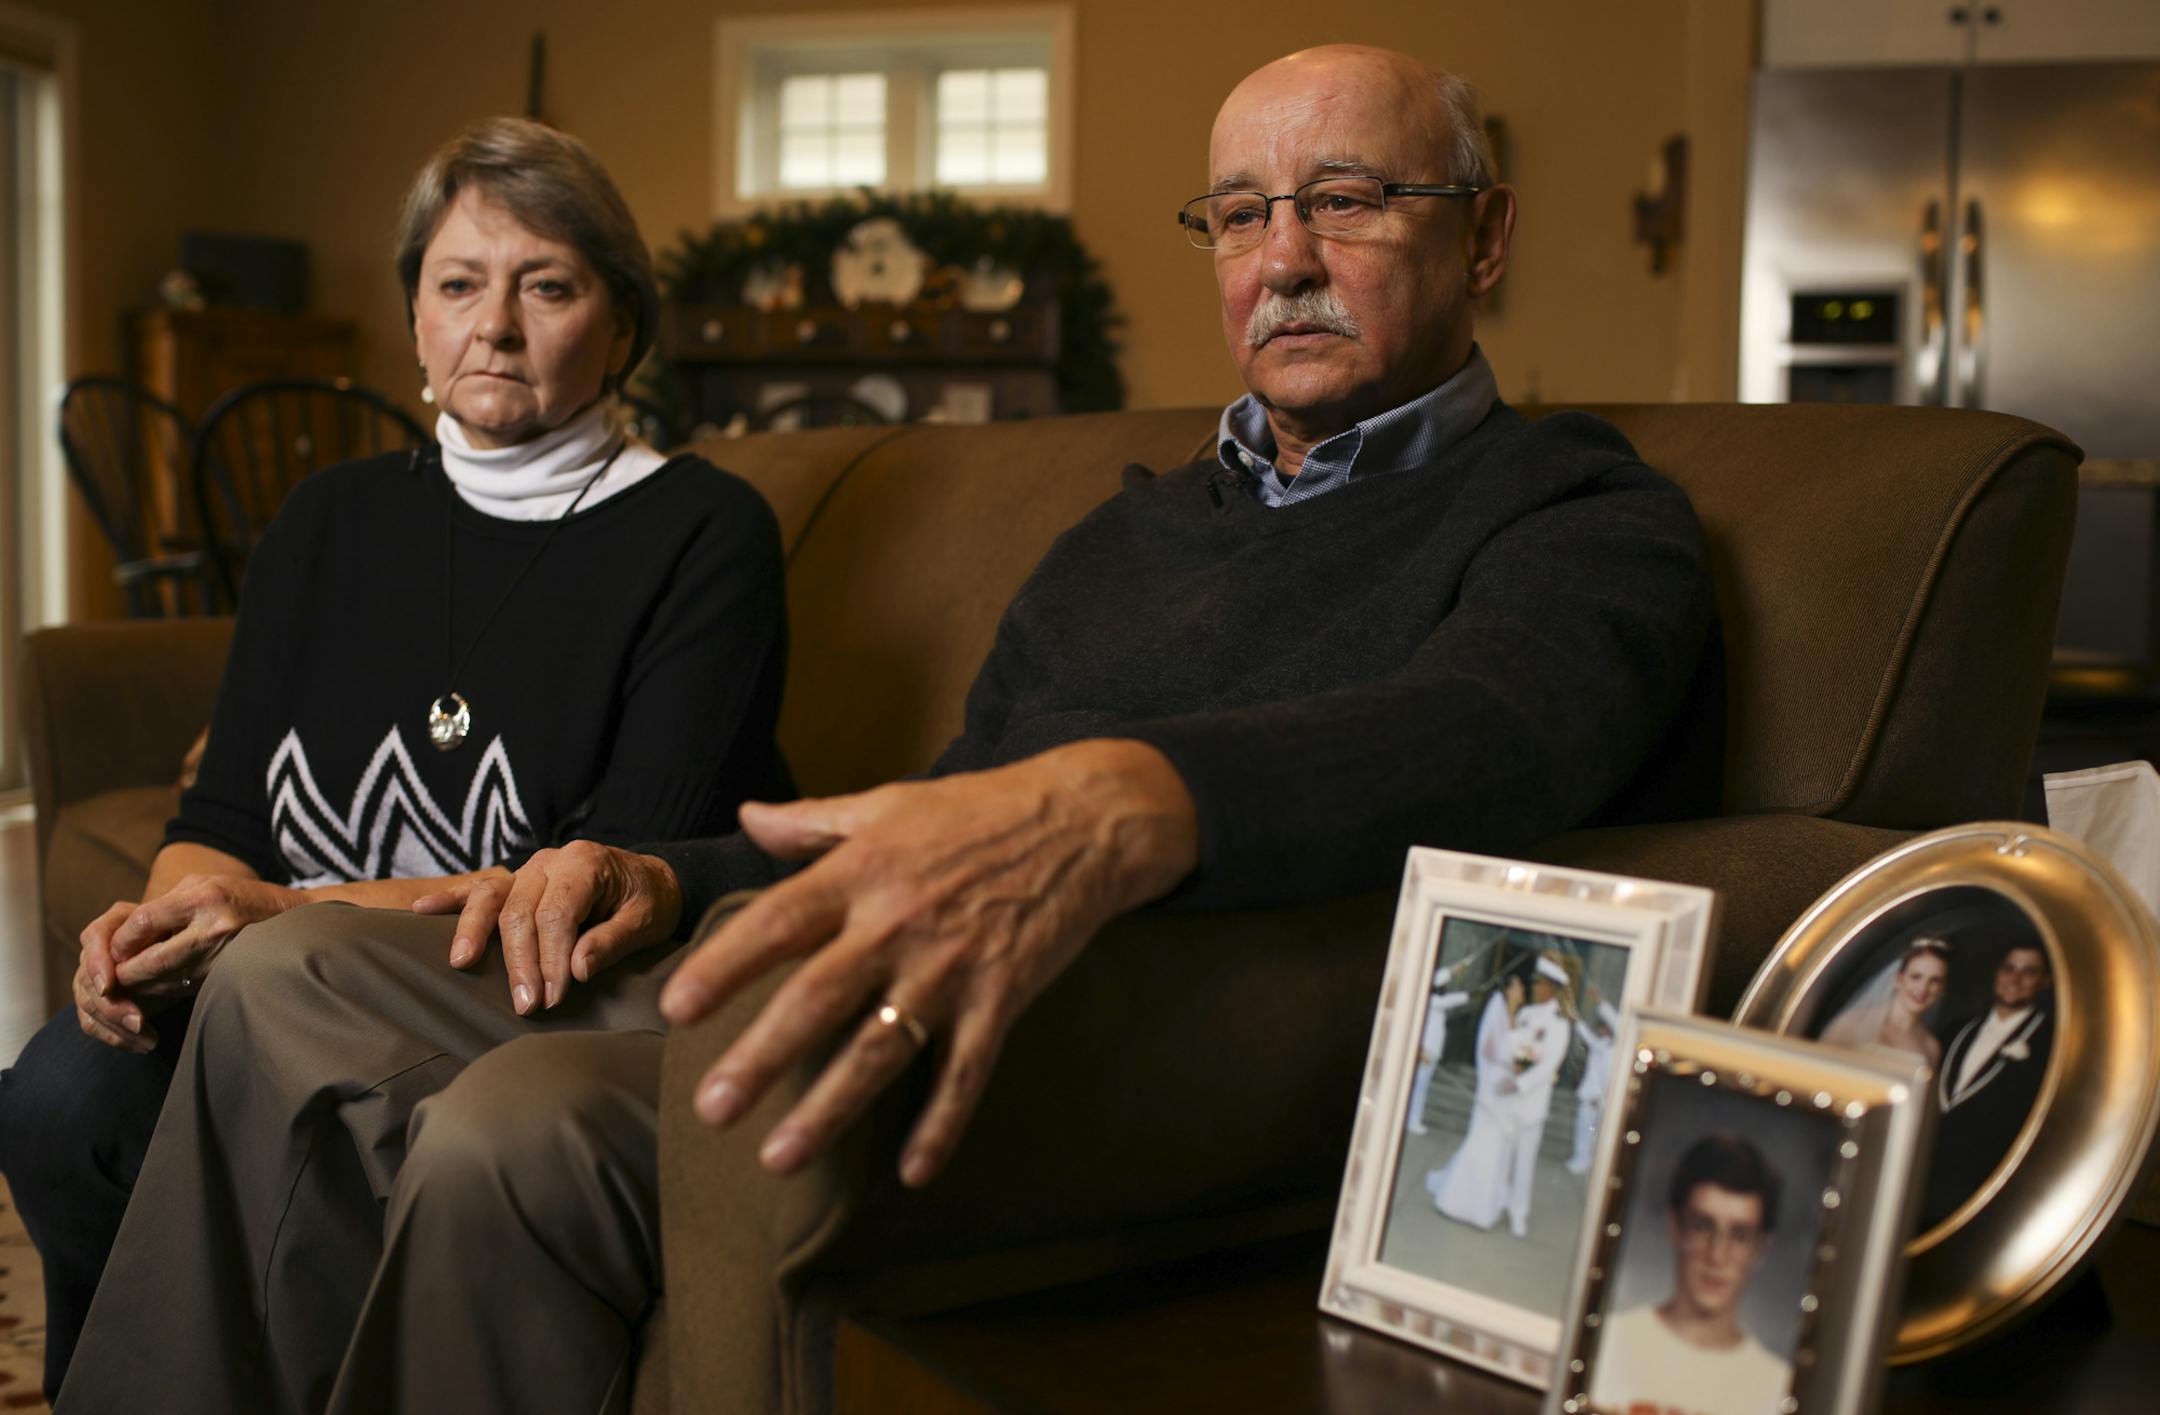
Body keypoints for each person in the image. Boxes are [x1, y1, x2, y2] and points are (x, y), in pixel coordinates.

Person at [64, 45, 1718, 1414]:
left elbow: (1492, 731)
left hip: (1109, 1025)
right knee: (286, 971)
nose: (1282, 258)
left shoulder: (1578, 514)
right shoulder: (1125, 536)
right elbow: (926, 810)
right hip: (856, 955)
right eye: (1237, 214)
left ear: (1484, 238)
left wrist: (1110, 802)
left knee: (513, 1132)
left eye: (1345, 202)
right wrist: (648, 871)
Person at [1, 115, 789, 1404]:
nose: (497, 324)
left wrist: (273, 913)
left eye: (548, 284)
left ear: (621, 322)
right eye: (459, 283)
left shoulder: (703, 531)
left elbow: (622, 864)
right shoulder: (329, 518)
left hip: (497, 983)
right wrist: (156, 926)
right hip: (265, 949)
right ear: (416, 320)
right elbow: (224, 805)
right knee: (62, 1098)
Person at [1589, 1131, 1794, 1415]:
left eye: (1740, 1235)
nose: (1717, 1255)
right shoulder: (1607, 1339)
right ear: (1675, 1226)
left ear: (1759, 1249)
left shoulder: (1779, 1387)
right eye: (1702, 1226)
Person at [1919, 942, 2053, 1228]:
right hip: (1923, 1185)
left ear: (2045, 982)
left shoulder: (2049, 1045)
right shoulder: (1955, 1029)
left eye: (2028, 972)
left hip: (1982, 1197)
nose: (2015, 979)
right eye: (2009, 968)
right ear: (1997, 973)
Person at [1427, 969, 1525, 1225]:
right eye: (1518, 987)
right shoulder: (1497, 1009)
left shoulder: (1514, 1015)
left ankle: (1486, 1199)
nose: (1521, 991)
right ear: (1507, 989)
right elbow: (1488, 1049)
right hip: (1494, 1086)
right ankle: (1459, 1200)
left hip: (1506, 1086)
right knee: (1485, 1139)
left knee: (1494, 1142)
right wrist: (1512, 1063)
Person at [1496, 955, 1574, 1236]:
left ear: (1550, 987)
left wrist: (1519, 1083)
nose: (1533, 986)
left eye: (1537, 983)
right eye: (1533, 982)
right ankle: (1499, 1203)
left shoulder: (1559, 1023)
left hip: (1531, 1103)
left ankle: (1519, 1214)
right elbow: (1510, 1045)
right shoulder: (1527, 1013)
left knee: (1524, 1162)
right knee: (1502, 1155)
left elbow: (1550, 1065)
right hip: (1508, 1099)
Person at [1816, 936, 1950, 1067]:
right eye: (1916, 977)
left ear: (1941, 989)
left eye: (1934, 981)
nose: (1923, 988)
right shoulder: (1851, 1023)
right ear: (1899, 979)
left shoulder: (1931, 1047)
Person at [1407, 957, 1474, 1135]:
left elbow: (1443, 978)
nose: (1445, 988)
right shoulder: (1432, 1000)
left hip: (1431, 1051)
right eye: (1443, 986)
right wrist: (1469, 995)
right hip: (1425, 1052)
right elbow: (1452, 999)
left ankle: (1412, 1119)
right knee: (1419, 1088)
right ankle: (1412, 1121)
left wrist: (1459, 966)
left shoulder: (1434, 999)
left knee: (1420, 1087)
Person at [1566, 987, 1621, 1176]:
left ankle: (1590, 1163)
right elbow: (1588, 1038)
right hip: (1590, 1098)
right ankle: (1581, 1160)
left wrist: (1600, 1001)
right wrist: (1576, 1021)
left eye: (1604, 1028)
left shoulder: (1621, 1048)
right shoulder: (1601, 1045)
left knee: (1597, 1135)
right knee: (1585, 1131)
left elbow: (1616, 1021)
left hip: (1603, 1101)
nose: (1601, 1031)